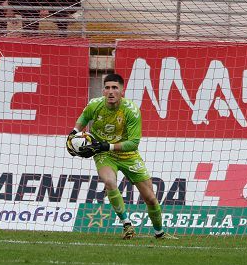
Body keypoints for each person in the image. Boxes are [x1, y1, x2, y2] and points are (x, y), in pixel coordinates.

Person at [68, 73, 172, 240]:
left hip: (128, 154)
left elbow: (133, 143)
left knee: (151, 198)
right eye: (107, 87)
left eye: (115, 88)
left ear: (122, 91)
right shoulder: (94, 105)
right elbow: (84, 118)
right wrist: (73, 133)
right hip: (104, 153)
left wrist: (107, 144)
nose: (110, 91)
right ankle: (127, 225)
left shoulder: (131, 111)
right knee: (109, 181)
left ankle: (159, 233)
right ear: (103, 90)